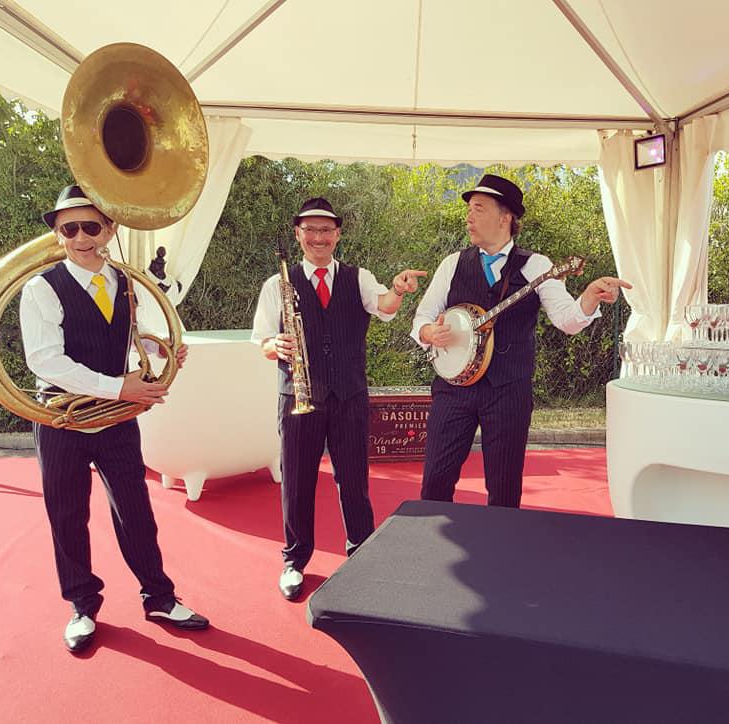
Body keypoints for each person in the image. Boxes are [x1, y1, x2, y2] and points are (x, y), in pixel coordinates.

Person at [20, 184, 208, 654]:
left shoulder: (126, 283)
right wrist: (118, 386)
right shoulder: (40, 287)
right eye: (69, 228)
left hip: (117, 419)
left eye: (90, 226)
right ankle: (82, 606)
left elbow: (131, 338)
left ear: (110, 228)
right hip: (62, 419)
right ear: (58, 233)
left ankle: (159, 597)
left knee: (136, 511)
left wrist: (159, 352)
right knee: (67, 515)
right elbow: (44, 361)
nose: (80, 237)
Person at [411, 174, 631, 508]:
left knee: (503, 488)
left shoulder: (536, 265)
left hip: (508, 390)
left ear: (505, 217)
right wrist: (429, 333)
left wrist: (588, 297)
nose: (469, 217)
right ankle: (434, 548)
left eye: (479, 209)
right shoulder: (453, 264)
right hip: (453, 389)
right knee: (435, 481)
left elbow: (566, 320)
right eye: (469, 209)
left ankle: (500, 556)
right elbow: (422, 317)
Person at [252, 197, 426, 601]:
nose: (318, 237)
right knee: (297, 482)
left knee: (354, 479)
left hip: (348, 395)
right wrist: (274, 344)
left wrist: (398, 291)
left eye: (326, 230)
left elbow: (383, 307)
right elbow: (260, 338)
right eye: (310, 230)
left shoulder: (359, 276)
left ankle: (362, 553)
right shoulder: (276, 283)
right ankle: (294, 560)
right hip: (297, 394)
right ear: (299, 235)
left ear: (338, 235)